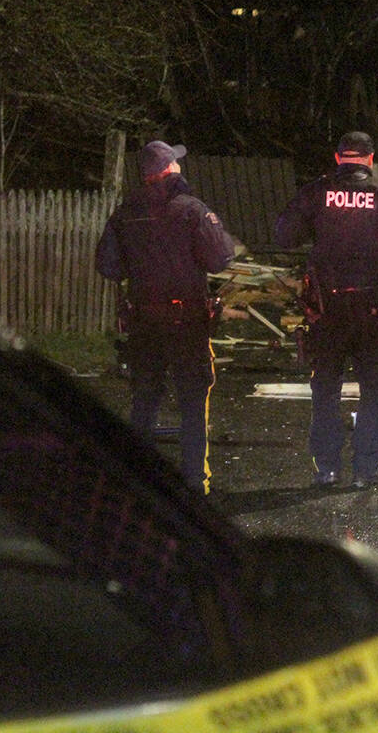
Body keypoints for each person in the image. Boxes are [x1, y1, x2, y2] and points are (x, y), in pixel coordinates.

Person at [274, 131, 378, 490]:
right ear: (371, 159)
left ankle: (327, 468)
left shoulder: (316, 192)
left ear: (338, 158)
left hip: (326, 309)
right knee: (374, 389)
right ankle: (366, 469)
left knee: (325, 389)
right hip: (376, 307)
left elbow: (284, 235)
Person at [95, 140, 235, 494]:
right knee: (192, 402)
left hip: (144, 321)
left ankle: (135, 481)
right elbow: (220, 259)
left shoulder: (126, 212)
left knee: (143, 400)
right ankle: (193, 484)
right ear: (171, 169)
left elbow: (107, 266)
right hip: (186, 321)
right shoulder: (192, 210)